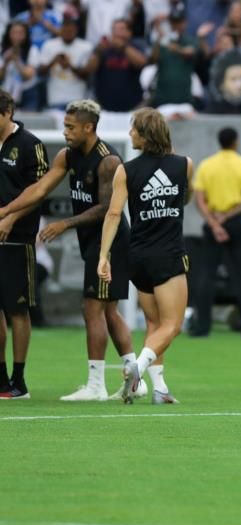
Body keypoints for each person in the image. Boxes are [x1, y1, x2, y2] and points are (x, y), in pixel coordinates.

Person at [0, 99, 147, 401]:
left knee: (91, 309)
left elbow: (106, 208)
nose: (65, 132)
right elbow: (40, 189)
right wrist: (7, 211)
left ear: (88, 127)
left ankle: (96, 385)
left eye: (70, 127)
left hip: (110, 240)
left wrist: (64, 223)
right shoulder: (67, 155)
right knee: (109, 312)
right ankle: (136, 376)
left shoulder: (108, 161)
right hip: (92, 240)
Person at [98, 107, 193, 404]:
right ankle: (136, 368)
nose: (130, 134)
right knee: (172, 325)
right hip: (167, 256)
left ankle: (160, 389)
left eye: (134, 129)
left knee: (154, 324)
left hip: (137, 257)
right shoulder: (184, 165)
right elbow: (186, 197)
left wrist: (103, 256)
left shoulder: (125, 170)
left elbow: (114, 214)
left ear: (146, 135)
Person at [0, 89, 48, 399]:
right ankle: (1, 379)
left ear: (7, 113)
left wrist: (10, 218)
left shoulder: (30, 145)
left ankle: (19, 380)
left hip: (17, 238)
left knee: (17, 310)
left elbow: (39, 191)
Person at [191, 127, 241, 338]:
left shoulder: (206, 165)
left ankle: (202, 328)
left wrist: (214, 222)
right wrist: (228, 216)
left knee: (207, 275)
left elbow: (199, 200)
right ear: (235, 142)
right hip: (236, 223)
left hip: (212, 222)